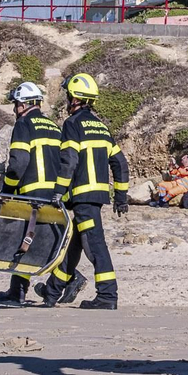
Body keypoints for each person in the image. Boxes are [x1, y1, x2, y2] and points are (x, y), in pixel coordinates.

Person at [36, 73, 130, 310]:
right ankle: (52, 291)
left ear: (75, 98)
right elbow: (120, 163)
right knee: (73, 246)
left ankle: (108, 295)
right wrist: (120, 197)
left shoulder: (73, 124)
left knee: (95, 245)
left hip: (82, 198)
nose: (67, 101)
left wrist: (58, 190)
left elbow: (69, 160)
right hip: (95, 198)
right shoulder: (101, 127)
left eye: (68, 96)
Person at [0, 82, 63, 304]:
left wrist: (7, 188)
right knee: (47, 240)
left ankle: (17, 292)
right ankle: (62, 280)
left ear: (23, 104)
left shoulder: (24, 124)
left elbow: (18, 163)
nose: (15, 110)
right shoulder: (54, 126)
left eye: (16, 105)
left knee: (22, 240)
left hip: (31, 193)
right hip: (55, 195)